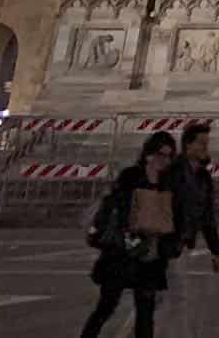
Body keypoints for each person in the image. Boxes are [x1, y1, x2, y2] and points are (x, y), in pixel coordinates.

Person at [82, 132, 183, 338]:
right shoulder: (131, 177)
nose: (164, 160)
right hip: (122, 252)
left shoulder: (169, 183)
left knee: (145, 312)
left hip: (151, 255)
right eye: (161, 155)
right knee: (106, 306)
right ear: (148, 154)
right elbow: (117, 210)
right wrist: (131, 238)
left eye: (169, 156)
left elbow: (175, 217)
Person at [165, 121, 219, 336]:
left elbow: (207, 217)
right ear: (188, 146)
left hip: (181, 246)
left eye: (207, 144)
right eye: (201, 144)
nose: (205, 148)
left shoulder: (203, 177)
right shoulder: (172, 172)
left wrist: (216, 251)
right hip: (164, 244)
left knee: (165, 299)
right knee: (175, 297)